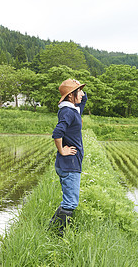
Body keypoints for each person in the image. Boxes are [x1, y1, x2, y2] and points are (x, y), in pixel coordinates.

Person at [49, 79, 87, 236]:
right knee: (70, 203)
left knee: (69, 201)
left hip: (69, 163)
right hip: (69, 163)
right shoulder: (68, 112)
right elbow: (57, 133)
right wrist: (62, 150)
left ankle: (53, 227)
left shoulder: (73, 109)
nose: (82, 94)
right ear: (71, 95)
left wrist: (79, 90)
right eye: (78, 91)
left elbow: (83, 100)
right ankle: (58, 235)